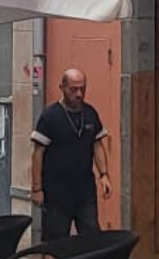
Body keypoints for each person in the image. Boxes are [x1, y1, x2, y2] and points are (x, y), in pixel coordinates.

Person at [29, 67, 113, 240]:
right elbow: (38, 153)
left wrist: (104, 175)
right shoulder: (50, 116)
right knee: (57, 239)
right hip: (56, 191)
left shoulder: (90, 114)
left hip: (85, 189)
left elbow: (97, 144)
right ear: (62, 88)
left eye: (82, 88)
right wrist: (37, 188)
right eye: (73, 89)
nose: (79, 94)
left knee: (91, 235)